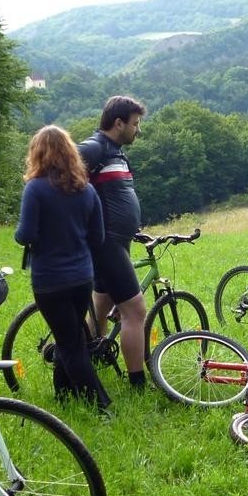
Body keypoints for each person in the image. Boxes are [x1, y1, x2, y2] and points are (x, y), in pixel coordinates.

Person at [15, 125, 111, 409]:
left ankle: (101, 405)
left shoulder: (36, 188)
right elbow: (99, 237)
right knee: (69, 335)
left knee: (71, 344)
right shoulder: (87, 190)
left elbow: (26, 235)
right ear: (71, 154)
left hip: (50, 280)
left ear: (38, 154)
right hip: (82, 278)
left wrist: (21, 233)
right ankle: (64, 395)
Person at [77, 95, 149, 389]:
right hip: (106, 244)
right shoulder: (94, 148)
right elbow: (58, 179)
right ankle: (138, 384)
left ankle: (90, 359)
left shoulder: (115, 151)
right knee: (135, 310)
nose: (138, 130)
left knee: (102, 306)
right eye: (135, 124)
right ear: (118, 123)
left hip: (118, 241)